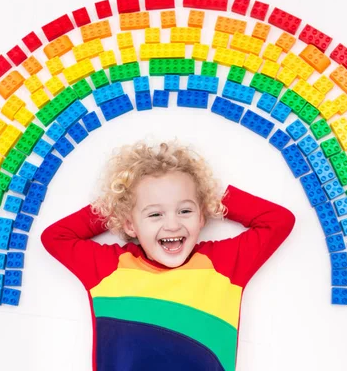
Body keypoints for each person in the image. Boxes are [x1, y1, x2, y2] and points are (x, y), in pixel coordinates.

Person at [41, 139, 296, 371]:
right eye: (154, 214)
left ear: (202, 217)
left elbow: (278, 221)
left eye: (185, 210)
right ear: (130, 225)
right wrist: (117, 206)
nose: (172, 224)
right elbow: (55, 237)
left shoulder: (224, 264)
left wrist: (210, 196)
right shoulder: (109, 267)